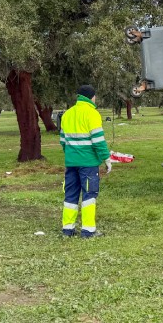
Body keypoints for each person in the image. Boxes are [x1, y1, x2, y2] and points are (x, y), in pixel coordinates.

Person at [60, 85, 111, 238]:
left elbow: (63, 141)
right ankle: (88, 231)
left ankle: (67, 229)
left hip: (71, 163)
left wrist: (71, 155)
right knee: (89, 195)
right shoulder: (92, 114)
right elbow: (98, 141)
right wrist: (106, 158)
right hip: (88, 163)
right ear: (91, 97)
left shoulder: (67, 114)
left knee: (70, 195)